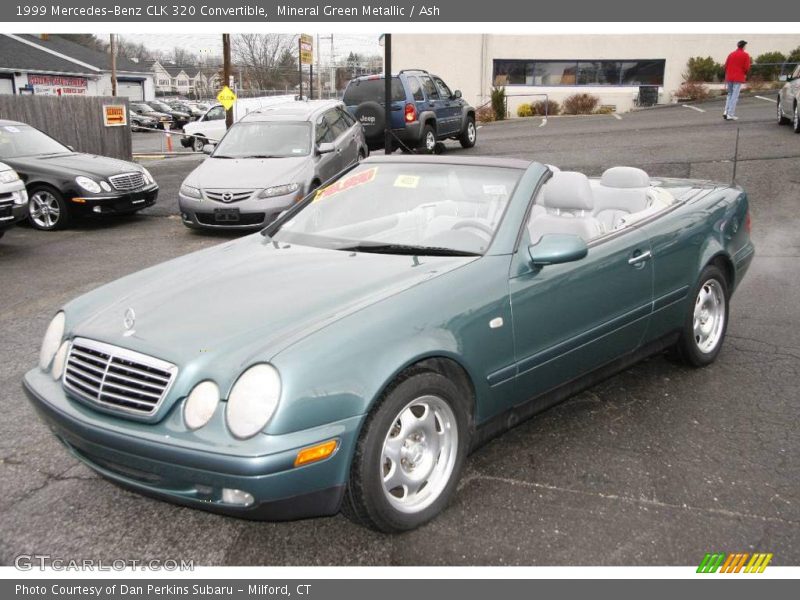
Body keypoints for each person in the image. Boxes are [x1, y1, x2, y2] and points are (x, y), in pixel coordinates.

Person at [723, 40, 751, 121]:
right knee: (734, 96)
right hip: (738, 77)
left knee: (730, 94)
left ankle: (726, 111)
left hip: (729, 77)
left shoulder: (731, 54)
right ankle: (730, 114)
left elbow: (726, 65)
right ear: (744, 46)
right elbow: (746, 67)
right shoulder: (745, 55)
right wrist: (744, 73)